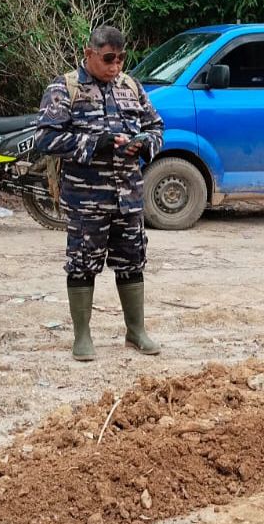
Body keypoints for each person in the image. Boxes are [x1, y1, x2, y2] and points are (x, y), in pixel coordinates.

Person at [33, 25, 165, 361]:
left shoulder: (132, 87)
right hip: (87, 198)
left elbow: (156, 126)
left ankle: (136, 332)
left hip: (129, 195)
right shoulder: (65, 89)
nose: (115, 65)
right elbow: (45, 139)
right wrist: (94, 144)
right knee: (81, 264)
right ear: (89, 53)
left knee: (132, 261)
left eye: (121, 58)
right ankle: (82, 337)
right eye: (108, 58)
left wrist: (144, 144)